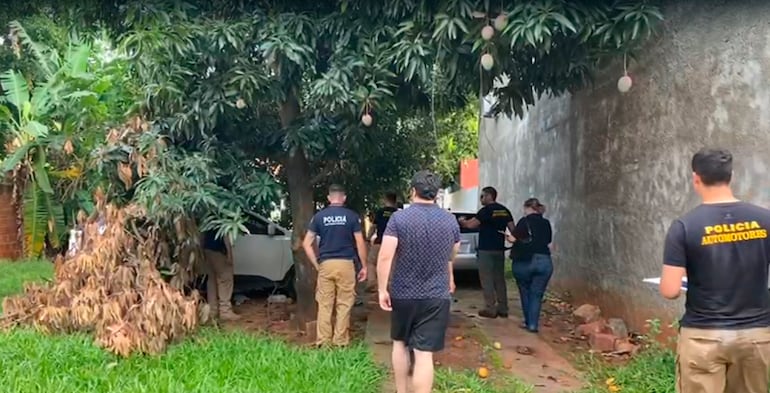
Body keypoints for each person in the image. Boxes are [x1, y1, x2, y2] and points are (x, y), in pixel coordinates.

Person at [659, 148, 770, 393]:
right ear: (730, 176)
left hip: (703, 336)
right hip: (756, 334)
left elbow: (669, 290)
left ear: (695, 178)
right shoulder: (765, 219)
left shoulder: (684, 227)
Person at [377, 170, 460, 393]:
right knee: (424, 354)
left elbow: (385, 255)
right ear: (436, 193)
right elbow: (453, 254)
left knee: (400, 343)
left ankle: (401, 390)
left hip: (403, 293)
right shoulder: (449, 220)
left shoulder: (399, 218)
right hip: (436, 295)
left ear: (412, 191)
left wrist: (382, 289)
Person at [303, 184, 368, 347]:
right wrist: (364, 266)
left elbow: (306, 243)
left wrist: (317, 263)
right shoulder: (352, 217)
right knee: (344, 304)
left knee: (324, 304)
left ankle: (323, 343)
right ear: (344, 198)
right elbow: (360, 243)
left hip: (326, 263)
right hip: (346, 264)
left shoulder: (319, 217)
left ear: (329, 198)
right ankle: (340, 342)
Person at [459, 186, 514, 318]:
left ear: (489, 196)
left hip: (486, 250)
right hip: (499, 250)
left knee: (487, 279)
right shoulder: (504, 210)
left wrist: (462, 221)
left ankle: (490, 308)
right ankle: (503, 308)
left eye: (482, 196)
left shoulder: (486, 211)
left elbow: (471, 225)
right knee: (499, 279)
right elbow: (513, 228)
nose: (481, 199)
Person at [507, 198, 552, 333]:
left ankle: (529, 322)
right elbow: (548, 241)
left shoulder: (524, 221)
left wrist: (508, 237)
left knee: (525, 291)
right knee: (537, 294)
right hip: (544, 261)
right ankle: (533, 325)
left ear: (528, 208)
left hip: (525, 261)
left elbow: (513, 239)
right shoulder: (546, 223)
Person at [201, 229, 240, 321]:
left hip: (208, 249)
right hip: (218, 250)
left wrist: (202, 249)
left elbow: (202, 235)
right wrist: (229, 254)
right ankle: (225, 311)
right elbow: (226, 236)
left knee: (212, 280)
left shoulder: (208, 218)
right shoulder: (223, 218)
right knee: (225, 279)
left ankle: (212, 311)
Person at [367, 192, 398, 292]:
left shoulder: (380, 212)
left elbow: (373, 227)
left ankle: (372, 282)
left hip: (379, 242)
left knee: (371, 262)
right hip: (393, 244)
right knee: (392, 264)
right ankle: (389, 284)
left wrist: (368, 237)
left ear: (386, 200)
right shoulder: (398, 214)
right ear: (395, 201)